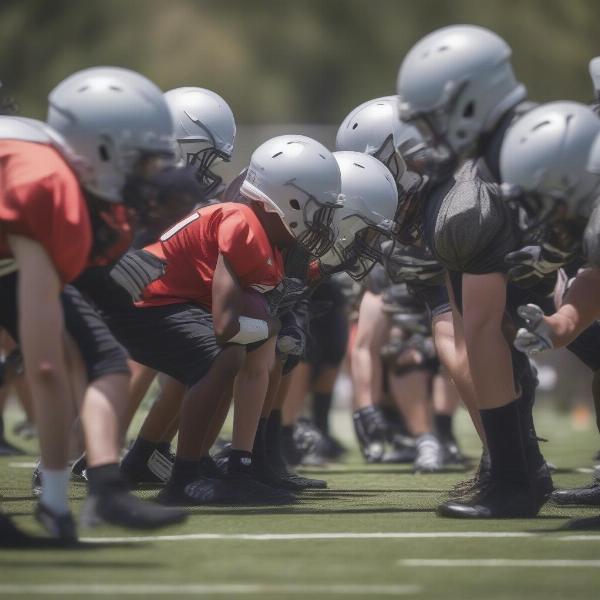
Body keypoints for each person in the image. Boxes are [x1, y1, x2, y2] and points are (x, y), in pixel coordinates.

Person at [93, 135, 343, 506]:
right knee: (221, 357)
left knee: (229, 356)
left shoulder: (269, 240)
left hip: (159, 301)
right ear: (288, 201)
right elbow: (226, 323)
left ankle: (188, 466)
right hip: (137, 299)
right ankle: (183, 479)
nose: (321, 222)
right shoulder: (243, 222)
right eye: (318, 209)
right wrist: (272, 326)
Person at [0, 67, 189, 544]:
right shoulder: (44, 181)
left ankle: (104, 485)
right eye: (142, 163)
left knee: (103, 358)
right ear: (100, 149)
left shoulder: (58, 175)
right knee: (71, 358)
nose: (151, 177)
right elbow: (45, 366)